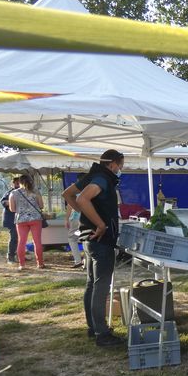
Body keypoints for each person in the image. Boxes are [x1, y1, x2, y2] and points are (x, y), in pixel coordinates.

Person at [62, 149, 124, 347]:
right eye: (120, 165)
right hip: (100, 239)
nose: (121, 169)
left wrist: (88, 215)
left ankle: (93, 326)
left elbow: (68, 194)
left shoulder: (92, 175)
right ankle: (102, 333)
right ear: (112, 164)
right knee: (101, 286)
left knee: (92, 284)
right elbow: (81, 199)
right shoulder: (102, 179)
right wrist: (100, 224)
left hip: (88, 240)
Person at [8, 174, 45, 271]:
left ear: (19, 182)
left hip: (21, 219)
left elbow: (12, 209)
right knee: (37, 242)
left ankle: (22, 265)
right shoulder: (36, 192)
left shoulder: (13, 193)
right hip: (35, 219)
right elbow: (41, 206)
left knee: (21, 241)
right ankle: (40, 263)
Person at [65, 176, 85, 268]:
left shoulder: (74, 191)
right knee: (87, 239)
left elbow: (70, 206)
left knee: (72, 238)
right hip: (88, 218)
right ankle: (86, 262)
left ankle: (78, 261)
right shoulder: (92, 189)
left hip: (76, 218)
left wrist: (67, 219)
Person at [0, 176, 20, 263]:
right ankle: (10, 256)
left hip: (19, 218)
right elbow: (3, 201)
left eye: (20, 183)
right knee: (14, 237)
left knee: (20, 238)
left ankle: (19, 255)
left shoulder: (22, 192)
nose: (18, 185)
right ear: (13, 184)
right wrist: (10, 202)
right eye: (16, 183)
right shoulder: (10, 193)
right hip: (11, 219)